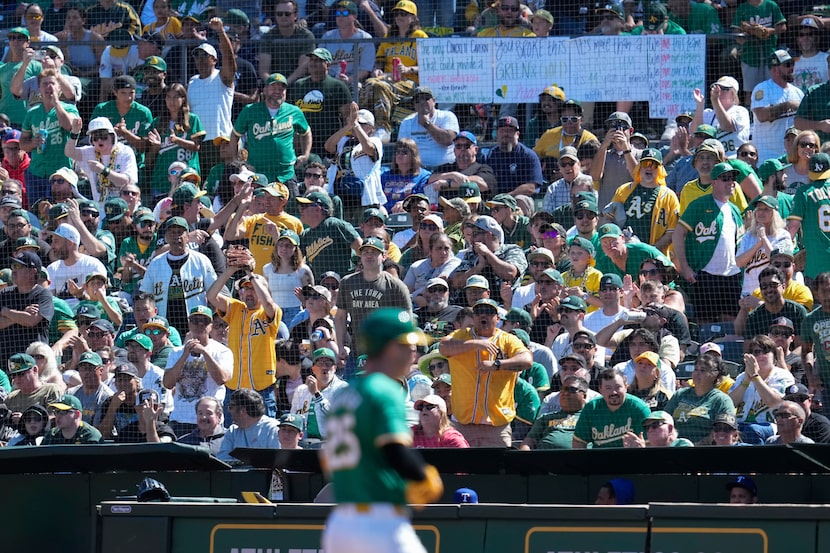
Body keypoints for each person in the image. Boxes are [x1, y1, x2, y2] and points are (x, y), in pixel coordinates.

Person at [321, 308, 442, 553]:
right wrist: (421, 475)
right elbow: (394, 449)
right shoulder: (384, 389)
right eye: (408, 346)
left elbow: (327, 461)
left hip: (339, 523)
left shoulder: (344, 395)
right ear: (389, 347)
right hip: (377, 522)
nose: (413, 353)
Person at [439, 298, 532, 447]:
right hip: (463, 423)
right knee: (460, 468)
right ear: (474, 316)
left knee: (498, 469)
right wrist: (476, 343)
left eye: (489, 312)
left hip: (496, 426)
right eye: (479, 312)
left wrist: (497, 364)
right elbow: (443, 347)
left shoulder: (508, 340)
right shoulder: (461, 335)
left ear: (498, 318)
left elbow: (527, 360)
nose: (483, 316)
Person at [207, 256, 281, 418]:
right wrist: (231, 269)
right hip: (235, 387)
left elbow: (268, 304)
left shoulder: (271, 310)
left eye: (253, 288)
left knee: (265, 436)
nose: (249, 292)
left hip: (262, 387)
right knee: (231, 434)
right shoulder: (235, 308)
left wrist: (251, 274)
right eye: (245, 289)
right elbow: (211, 296)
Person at [673, 162, 744, 322]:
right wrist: (685, 267)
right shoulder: (699, 205)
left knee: (730, 321)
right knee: (705, 321)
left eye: (733, 178)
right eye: (725, 178)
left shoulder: (735, 209)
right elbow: (678, 234)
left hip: (731, 275)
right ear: (714, 182)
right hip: (705, 274)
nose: (731, 182)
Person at [335, 237, 412, 367]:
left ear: (384, 256)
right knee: (350, 387)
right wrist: (340, 346)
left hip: (386, 354)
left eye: (374, 252)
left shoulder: (395, 286)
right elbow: (340, 317)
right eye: (365, 253)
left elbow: (406, 318)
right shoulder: (347, 283)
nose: (369, 256)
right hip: (356, 353)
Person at [163, 306, 233, 437]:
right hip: (180, 420)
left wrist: (205, 352)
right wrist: (184, 355)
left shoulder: (223, 351)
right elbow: (167, 383)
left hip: (210, 420)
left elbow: (222, 379)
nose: (200, 324)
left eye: (204, 321)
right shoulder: (176, 352)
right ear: (189, 323)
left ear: (211, 325)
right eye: (195, 320)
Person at [139, 217, 218, 331]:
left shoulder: (201, 260)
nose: (176, 237)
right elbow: (146, 297)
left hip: (196, 325)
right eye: (172, 233)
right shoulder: (156, 263)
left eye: (180, 232)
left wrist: (207, 320)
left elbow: (214, 293)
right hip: (164, 326)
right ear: (166, 237)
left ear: (187, 236)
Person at [232, 73, 311, 184]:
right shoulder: (250, 111)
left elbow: (306, 132)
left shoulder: (294, 111)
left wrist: (306, 154)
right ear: (265, 90)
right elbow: (235, 135)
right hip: (257, 174)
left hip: (286, 173)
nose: (277, 91)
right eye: (273, 87)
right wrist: (238, 162)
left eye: (281, 88)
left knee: (292, 201)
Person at [20, 69, 79, 204]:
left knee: (60, 211)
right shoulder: (32, 113)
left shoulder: (69, 108)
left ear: (59, 87)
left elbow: (69, 126)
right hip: (36, 172)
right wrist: (32, 143)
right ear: (39, 89)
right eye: (45, 84)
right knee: (36, 211)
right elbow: (22, 143)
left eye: (52, 83)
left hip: (60, 174)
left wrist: (56, 103)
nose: (49, 87)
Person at [187, 21, 236, 178]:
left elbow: (230, 60)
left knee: (223, 184)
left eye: (205, 56)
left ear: (214, 60)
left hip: (221, 141)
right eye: (197, 55)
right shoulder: (192, 82)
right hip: (199, 144)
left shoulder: (222, 77)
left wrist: (221, 32)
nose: (200, 59)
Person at [609, 148, 679, 253]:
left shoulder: (669, 196)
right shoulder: (623, 190)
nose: (649, 168)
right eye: (645, 163)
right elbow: (608, 219)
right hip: (624, 254)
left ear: (660, 169)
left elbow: (672, 232)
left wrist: (649, 252)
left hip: (654, 260)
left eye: (654, 165)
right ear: (639, 167)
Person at [729, 334, 794, 443]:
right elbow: (730, 404)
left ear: (774, 356)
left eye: (765, 351)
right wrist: (745, 381)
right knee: (724, 430)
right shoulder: (742, 377)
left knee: (751, 430)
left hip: (771, 425)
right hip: (741, 423)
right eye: (757, 352)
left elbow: (774, 402)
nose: (761, 355)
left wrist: (755, 376)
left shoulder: (782, 375)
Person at [289, 48, 351, 159]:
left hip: (327, 144)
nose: (313, 63)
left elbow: (348, 117)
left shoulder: (337, 86)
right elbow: (290, 114)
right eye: (311, 60)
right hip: (301, 143)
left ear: (328, 65)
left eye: (318, 60)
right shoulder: (299, 85)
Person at [145, 83, 205, 199]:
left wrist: (178, 141)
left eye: (176, 97)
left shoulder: (192, 120)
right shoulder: (158, 122)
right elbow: (148, 161)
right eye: (168, 97)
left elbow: (196, 147)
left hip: (188, 177)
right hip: (162, 180)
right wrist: (155, 147)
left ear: (183, 99)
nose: (171, 101)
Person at [324, 103, 384, 218]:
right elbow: (328, 146)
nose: (357, 126)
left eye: (362, 124)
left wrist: (356, 125)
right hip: (342, 192)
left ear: (371, 127)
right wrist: (347, 126)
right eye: (356, 122)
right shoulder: (344, 140)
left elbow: (369, 149)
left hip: (364, 195)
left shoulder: (375, 140)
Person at [450, 215, 527, 305]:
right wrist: (479, 267)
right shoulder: (471, 254)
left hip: (503, 306)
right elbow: (456, 282)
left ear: (488, 235)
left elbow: (510, 273)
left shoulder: (511, 250)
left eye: (475, 234)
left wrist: (488, 254)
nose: (471, 239)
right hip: (468, 308)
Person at [663, 353, 736, 443]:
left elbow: (724, 431)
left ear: (715, 375)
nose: (697, 373)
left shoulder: (721, 400)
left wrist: (697, 445)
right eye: (696, 369)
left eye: (703, 370)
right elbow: (664, 419)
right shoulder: (680, 394)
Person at [572, 369, 651, 449]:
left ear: (626, 387)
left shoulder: (639, 408)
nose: (614, 392)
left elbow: (650, 443)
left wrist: (642, 448)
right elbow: (579, 441)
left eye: (618, 387)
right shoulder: (592, 408)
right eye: (608, 388)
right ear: (600, 390)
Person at [0, 251, 53, 365]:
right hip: (5, 358)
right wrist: (22, 314)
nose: (14, 270)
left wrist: (6, 311)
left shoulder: (43, 295)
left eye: (18, 266)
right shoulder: (5, 293)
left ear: (33, 271)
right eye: (13, 266)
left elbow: (31, 320)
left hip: (34, 360)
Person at [751, 50, 804, 163]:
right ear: (775, 70)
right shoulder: (762, 89)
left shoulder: (798, 92)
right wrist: (788, 105)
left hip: (792, 156)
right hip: (767, 157)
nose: (792, 68)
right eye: (787, 65)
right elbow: (761, 115)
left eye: (792, 64)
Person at [289, 347, 348, 444]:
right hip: (304, 444)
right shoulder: (301, 390)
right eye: (320, 363)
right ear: (313, 369)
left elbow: (338, 418)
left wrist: (316, 394)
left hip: (332, 443)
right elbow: (294, 418)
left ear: (335, 368)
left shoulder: (343, 389)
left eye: (328, 363)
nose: (324, 367)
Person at [737, 195, 792, 297]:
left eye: (766, 209)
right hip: (750, 291)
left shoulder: (783, 235)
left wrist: (763, 238)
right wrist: (757, 244)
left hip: (773, 292)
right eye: (759, 209)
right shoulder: (748, 236)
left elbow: (776, 260)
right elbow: (739, 262)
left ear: (774, 214)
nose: (761, 212)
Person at [787, 153, 830, 282]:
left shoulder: (804, 192)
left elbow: (792, 228)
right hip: (817, 263)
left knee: (816, 301)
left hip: (816, 265)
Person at [298, 191, 362, 278]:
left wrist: (360, 268)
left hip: (341, 284)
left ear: (318, 208)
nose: (300, 209)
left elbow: (361, 247)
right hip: (320, 286)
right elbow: (295, 260)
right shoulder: (305, 235)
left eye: (304, 206)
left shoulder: (335, 225)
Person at [520, 375, 588, 450]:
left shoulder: (589, 418)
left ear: (584, 396)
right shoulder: (545, 418)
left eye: (571, 389)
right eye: (563, 389)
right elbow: (529, 441)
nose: (565, 393)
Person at [481, 115, 544, 197]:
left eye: (510, 131)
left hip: (517, 200)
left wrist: (506, 197)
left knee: (521, 199)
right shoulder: (489, 156)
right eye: (502, 130)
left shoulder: (529, 155)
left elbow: (531, 187)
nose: (505, 134)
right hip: (492, 200)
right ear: (497, 134)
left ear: (517, 134)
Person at [427, 131, 496, 204]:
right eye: (458, 146)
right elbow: (430, 180)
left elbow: (481, 184)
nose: (462, 149)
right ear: (454, 150)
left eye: (467, 146)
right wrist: (452, 175)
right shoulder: (446, 168)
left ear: (476, 150)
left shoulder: (483, 168)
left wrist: (448, 183)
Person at [692, 76, 751, 159]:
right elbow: (695, 131)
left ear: (733, 93)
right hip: (712, 161)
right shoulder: (708, 113)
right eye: (717, 88)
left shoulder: (740, 111)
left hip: (734, 159)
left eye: (724, 89)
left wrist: (715, 100)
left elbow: (727, 126)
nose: (719, 91)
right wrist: (699, 105)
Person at [217, 389, 281, 463]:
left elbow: (276, 462)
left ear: (243, 410)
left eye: (231, 407)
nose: (229, 411)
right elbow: (223, 460)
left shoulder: (273, 429)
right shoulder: (232, 431)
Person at [258, 0, 315, 83]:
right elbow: (264, 71)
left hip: (298, 83)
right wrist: (273, 84)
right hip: (274, 84)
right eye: (279, 14)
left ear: (295, 15)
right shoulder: (267, 37)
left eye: (287, 14)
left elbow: (303, 68)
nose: (283, 17)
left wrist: (285, 83)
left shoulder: (306, 36)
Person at [320, 0, 377, 83]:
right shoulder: (327, 36)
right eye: (338, 14)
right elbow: (320, 63)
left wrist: (349, 80)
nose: (340, 17)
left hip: (354, 82)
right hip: (330, 80)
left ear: (354, 16)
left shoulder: (365, 38)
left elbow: (365, 70)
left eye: (345, 13)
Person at [380, 138, 431, 213]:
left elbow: (422, 199)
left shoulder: (423, 176)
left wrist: (406, 204)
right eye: (398, 152)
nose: (400, 155)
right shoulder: (385, 175)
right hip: (386, 216)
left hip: (410, 216)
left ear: (413, 155)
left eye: (404, 152)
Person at [622, 410, 694, 448]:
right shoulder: (647, 449)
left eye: (655, 425)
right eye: (646, 427)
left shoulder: (682, 444)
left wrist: (642, 454)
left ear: (670, 428)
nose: (650, 430)